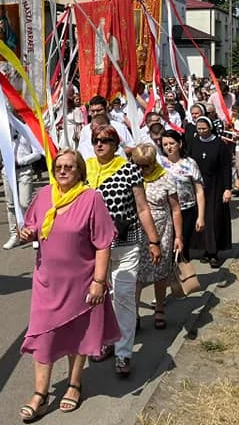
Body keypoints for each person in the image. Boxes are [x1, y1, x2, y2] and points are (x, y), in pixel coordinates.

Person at [17, 150, 121, 420]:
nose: (63, 171)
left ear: (79, 172)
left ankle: (74, 384)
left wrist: (99, 281)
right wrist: (26, 234)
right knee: (42, 334)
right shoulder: (43, 196)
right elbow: (31, 229)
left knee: (77, 335)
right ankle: (40, 393)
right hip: (46, 281)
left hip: (81, 281)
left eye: (69, 167)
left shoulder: (91, 199)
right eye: (59, 167)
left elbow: (102, 244)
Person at [86, 123, 161, 378]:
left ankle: (123, 353)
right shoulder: (85, 169)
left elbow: (142, 208)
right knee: (100, 298)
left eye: (105, 140)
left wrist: (154, 241)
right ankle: (106, 340)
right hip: (94, 248)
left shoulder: (129, 170)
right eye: (96, 139)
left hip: (126, 244)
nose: (99, 144)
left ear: (116, 145)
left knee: (125, 297)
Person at [132, 144, 183, 330]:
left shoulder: (166, 177)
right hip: (137, 231)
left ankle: (160, 308)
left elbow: (176, 209)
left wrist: (179, 236)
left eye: (145, 166)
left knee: (159, 271)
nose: (141, 170)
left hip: (162, 230)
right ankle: (133, 313)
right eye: (137, 165)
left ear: (153, 162)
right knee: (135, 273)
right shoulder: (131, 177)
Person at [187, 117, 233, 267]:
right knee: (200, 217)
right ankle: (204, 249)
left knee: (213, 218)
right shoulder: (194, 143)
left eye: (204, 129)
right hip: (198, 184)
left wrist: (227, 188)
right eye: (199, 129)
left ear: (210, 128)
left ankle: (214, 252)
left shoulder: (220, 144)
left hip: (216, 184)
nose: (201, 132)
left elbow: (226, 167)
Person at [161, 130, 205, 264]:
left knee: (182, 245)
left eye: (172, 143)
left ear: (179, 144)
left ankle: (185, 279)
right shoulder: (159, 163)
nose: (169, 147)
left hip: (187, 210)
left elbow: (199, 191)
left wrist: (201, 216)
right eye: (165, 144)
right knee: (166, 246)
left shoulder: (190, 163)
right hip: (165, 211)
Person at [2, 120, 44, 250]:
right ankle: (14, 235)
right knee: (10, 204)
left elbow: (38, 152)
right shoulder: (2, 128)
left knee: (25, 203)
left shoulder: (27, 129)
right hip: (8, 171)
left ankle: (32, 232)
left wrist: (21, 160)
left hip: (24, 170)